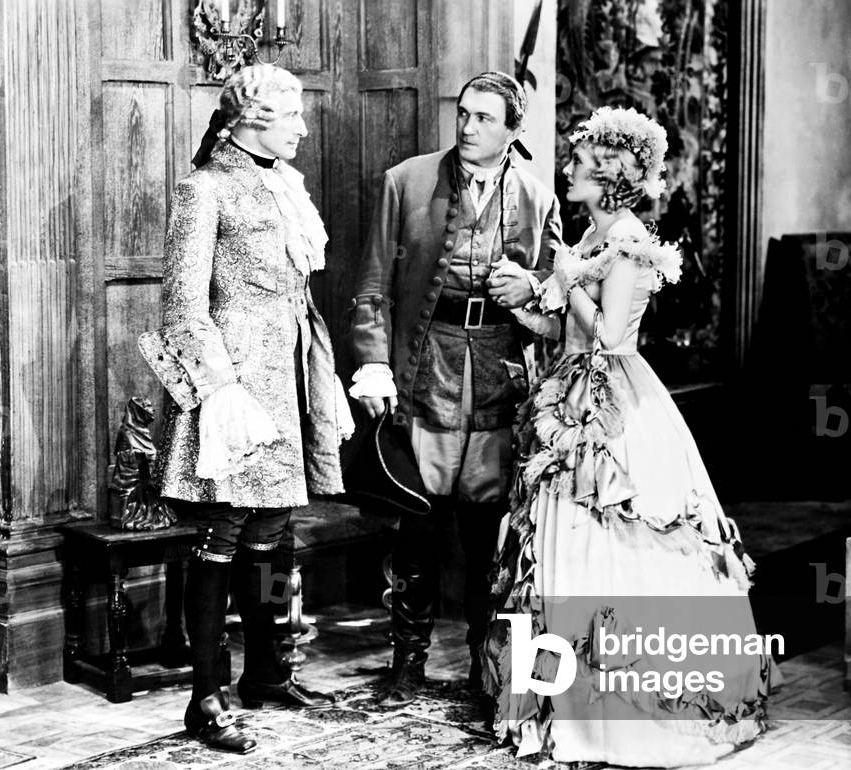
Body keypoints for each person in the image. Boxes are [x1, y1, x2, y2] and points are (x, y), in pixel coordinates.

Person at [482, 107, 776, 766]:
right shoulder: (591, 236)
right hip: (569, 394)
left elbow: (612, 337)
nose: (568, 170)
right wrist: (532, 302)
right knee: (556, 547)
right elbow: (570, 330)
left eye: (579, 164)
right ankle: (562, 705)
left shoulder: (628, 240)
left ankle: (624, 716)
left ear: (608, 175)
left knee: (620, 533)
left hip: (614, 405)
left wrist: (561, 280)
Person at [141, 63, 352, 753]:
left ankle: (268, 673)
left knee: (273, 533)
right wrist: (221, 393)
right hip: (229, 393)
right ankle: (207, 698)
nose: (302, 125)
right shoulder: (204, 189)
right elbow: (181, 308)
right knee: (221, 539)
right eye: (292, 115)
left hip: (283, 383)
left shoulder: (281, 185)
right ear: (255, 119)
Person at [349, 71, 563, 708]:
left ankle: (482, 664)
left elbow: (558, 295)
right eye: (463, 115)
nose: (467, 128)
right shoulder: (406, 182)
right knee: (416, 521)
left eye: (483, 119)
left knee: (486, 528)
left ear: (512, 130)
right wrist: (373, 365)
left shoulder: (535, 194)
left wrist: (528, 291)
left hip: (499, 373)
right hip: (427, 366)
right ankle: (408, 663)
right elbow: (370, 291)